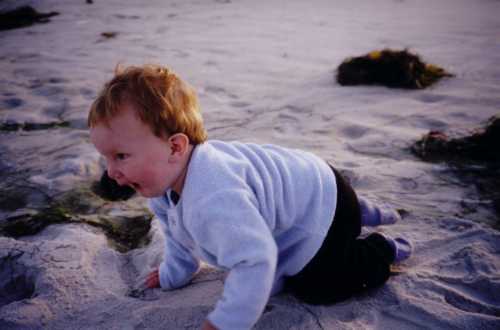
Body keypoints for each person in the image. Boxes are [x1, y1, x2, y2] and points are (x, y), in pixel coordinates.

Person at [88, 64, 412, 330]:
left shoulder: (214, 196)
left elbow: (256, 259)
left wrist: (224, 323)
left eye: (121, 156)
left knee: (317, 286)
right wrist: (174, 274)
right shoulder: (164, 183)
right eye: (107, 158)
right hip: (306, 185)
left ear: (175, 146)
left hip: (323, 205)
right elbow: (177, 234)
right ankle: (361, 211)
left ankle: (380, 247)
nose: (111, 172)